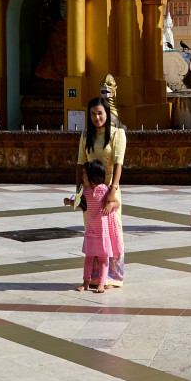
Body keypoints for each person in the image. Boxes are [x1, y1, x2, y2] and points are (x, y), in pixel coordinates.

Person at [68, 94, 127, 287]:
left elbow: (118, 162)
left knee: (112, 231)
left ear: (106, 114)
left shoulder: (117, 134)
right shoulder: (86, 135)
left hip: (110, 190)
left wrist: (113, 190)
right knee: (93, 231)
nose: (97, 118)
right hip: (90, 193)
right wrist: (78, 193)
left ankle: (112, 277)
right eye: (93, 114)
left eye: (100, 113)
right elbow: (80, 164)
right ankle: (94, 277)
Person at [75, 158, 123, 293]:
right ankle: (85, 282)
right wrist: (69, 202)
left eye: (85, 174)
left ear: (93, 176)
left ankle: (101, 283)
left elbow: (117, 203)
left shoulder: (104, 190)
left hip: (103, 232)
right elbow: (82, 204)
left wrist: (109, 205)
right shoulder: (87, 191)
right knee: (88, 258)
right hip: (91, 230)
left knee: (103, 259)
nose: (82, 176)